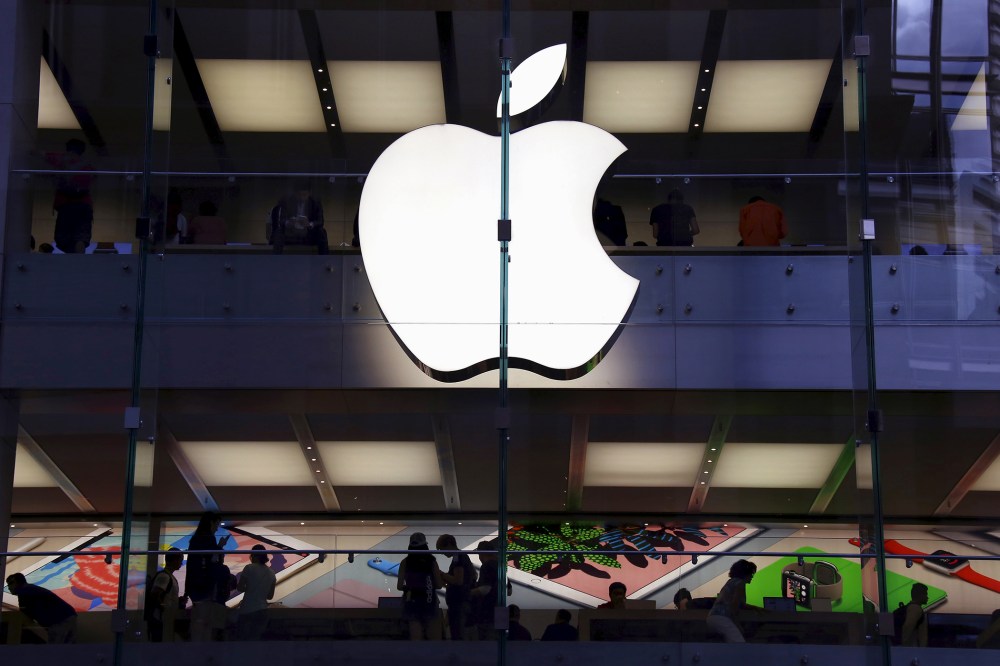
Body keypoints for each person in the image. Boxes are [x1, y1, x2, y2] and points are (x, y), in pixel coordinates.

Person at [186, 511, 230, 641]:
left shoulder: (196, 539)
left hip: (196, 586)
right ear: (211, 522)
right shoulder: (208, 538)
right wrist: (220, 547)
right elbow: (211, 560)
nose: (217, 527)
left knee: (199, 622)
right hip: (204, 586)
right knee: (205, 623)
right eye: (216, 523)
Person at [46, 138, 94, 253]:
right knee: (81, 237)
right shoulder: (88, 166)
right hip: (84, 205)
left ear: (68, 149)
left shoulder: (62, 160)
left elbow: (39, 154)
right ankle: (78, 261)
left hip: (66, 205)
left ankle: (70, 260)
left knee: (64, 237)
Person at [397, 531, 444, 640]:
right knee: (434, 638)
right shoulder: (431, 561)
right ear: (425, 545)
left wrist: (411, 587)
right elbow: (438, 585)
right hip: (429, 600)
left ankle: (417, 656)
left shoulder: (405, 562)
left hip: (411, 600)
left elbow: (399, 586)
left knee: (415, 636)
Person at [5, 572, 77, 643]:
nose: (9, 587)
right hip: (68, 615)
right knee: (66, 649)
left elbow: (24, 613)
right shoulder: (30, 588)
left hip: (59, 620)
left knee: (55, 649)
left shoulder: (24, 590)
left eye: (10, 583)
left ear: (17, 582)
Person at [706, 559, 757, 643]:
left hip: (712, 618)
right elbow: (734, 607)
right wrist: (738, 626)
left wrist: (756, 608)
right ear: (745, 573)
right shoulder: (740, 584)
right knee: (739, 644)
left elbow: (736, 603)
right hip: (722, 619)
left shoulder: (731, 582)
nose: (752, 576)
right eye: (751, 573)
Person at [270, 183, 329, 254]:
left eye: (304, 195)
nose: (301, 197)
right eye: (299, 195)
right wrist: (289, 223)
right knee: (279, 232)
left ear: (309, 193)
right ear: (295, 194)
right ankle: (275, 260)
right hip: (291, 234)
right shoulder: (287, 201)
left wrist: (309, 224)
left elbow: (320, 221)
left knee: (321, 232)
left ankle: (324, 261)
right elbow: (281, 221)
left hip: (308, 235)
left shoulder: (315, 203)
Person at [436, 533, 475, 640]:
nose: (442, 553)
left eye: (442, 549)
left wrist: (441, 574)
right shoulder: (461, 557)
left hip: (459, 604)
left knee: (458, 635)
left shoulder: (458, 557)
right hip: (459, 603)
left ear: (448, 544)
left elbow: (458, 580)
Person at [236, 544, 276, 640]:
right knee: (256, 641)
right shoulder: (272, 573)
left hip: (247, 610)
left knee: (244, 640)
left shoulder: (249, 568)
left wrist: (250, 588)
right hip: (263, 611)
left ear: (254, 556)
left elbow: (240, 587)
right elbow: (270, 596)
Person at [146, 548, 183, 642]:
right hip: (161, 619)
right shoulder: (164, 576)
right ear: (174, 560)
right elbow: (155, 594)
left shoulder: (169, 577)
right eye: (180, 560)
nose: (181, 563)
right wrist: (163, 607)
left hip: (165, 619)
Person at [471, 539, 500, 640]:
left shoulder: (487, 566)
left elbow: (485, 589)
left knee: (486, 647)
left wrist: (466, 594)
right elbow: (509, 591)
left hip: (488, 613)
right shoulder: (500, 567)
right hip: (500, 611)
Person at [899, 582, 929, 647]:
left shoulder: (912, 607)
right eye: (925, 594)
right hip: (913, 649)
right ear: (920, 595)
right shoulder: (915, 608)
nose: (927, 597)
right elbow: (908, 626)